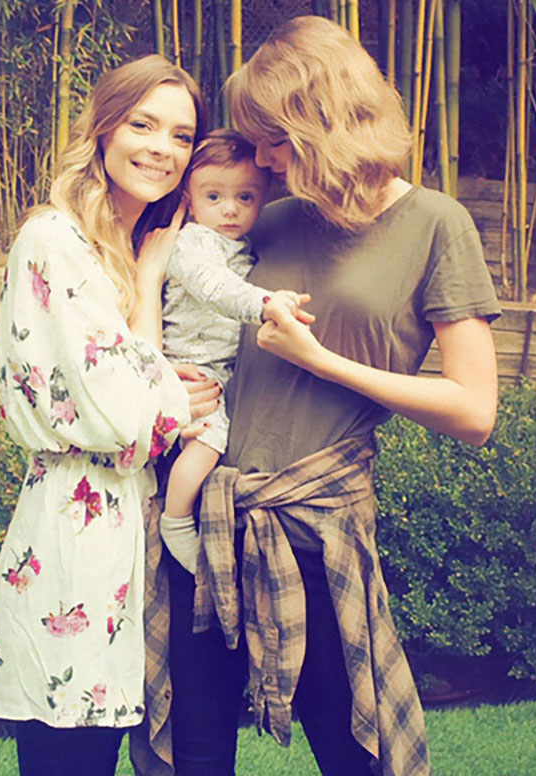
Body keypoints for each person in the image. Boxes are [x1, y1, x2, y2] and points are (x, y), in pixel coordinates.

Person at [160, 16, 501, 776]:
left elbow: (476, 412)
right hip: (210, 511)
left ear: (323, 120)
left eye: (274, 139)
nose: (262, 161)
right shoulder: (264, 219)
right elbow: (169, 298)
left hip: (318, 525)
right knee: (196, 752)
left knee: (355, 752)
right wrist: (162, 380)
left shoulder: (435, 226)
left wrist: (325, 361)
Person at [0, 55, 214, 776]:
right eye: (143, 124)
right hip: (72, 535)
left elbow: (142, 393)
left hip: (125, 530)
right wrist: (169, 396)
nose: (162, 148)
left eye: (181, 136)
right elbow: (126, 419)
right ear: (103, 128)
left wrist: (157, 386)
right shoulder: (57, 241)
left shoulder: (120, 244)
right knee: (69, 755)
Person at [158, 128, 311, 573]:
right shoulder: (193, 242)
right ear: (188, 199)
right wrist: (263, 303)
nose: (230, 209)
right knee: (209, 442)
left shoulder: (240, 244)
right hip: (193, 366)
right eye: (214, 197)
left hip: (218, 369)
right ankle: (175, 520)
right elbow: (213, 288)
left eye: (245, 198)